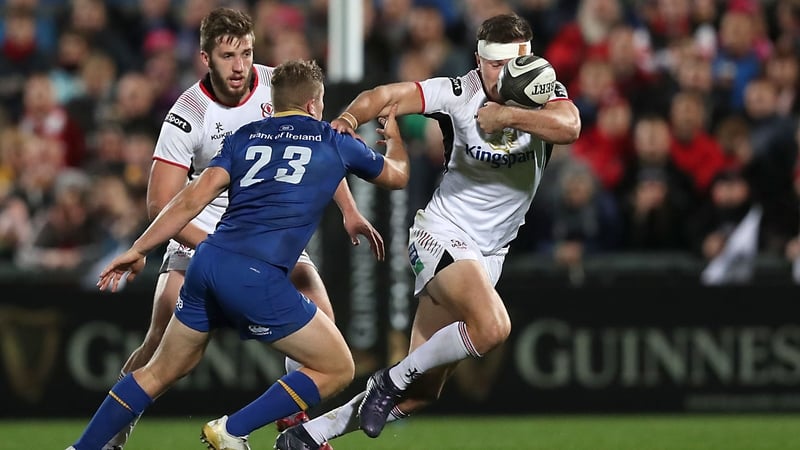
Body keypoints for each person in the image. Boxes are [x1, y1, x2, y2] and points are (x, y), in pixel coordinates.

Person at [66, 58, 410, 450]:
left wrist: (139, 247)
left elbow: (189, 199)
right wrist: (395, 140)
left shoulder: (246, 136)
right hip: (256, 275)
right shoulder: (333, 140)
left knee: (160, 369)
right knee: (337, 366)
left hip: (207, 262)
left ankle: (83, 448)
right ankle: (233, 429)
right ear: (315, 104)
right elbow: (397, 177)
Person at [275, 12, 580, 450]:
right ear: (479, 60)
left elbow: (570, 126)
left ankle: (310, 434)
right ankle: (386, 379)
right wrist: (345, 119)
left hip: (490, 255)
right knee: (492, 328)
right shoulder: (458, 93)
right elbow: (384, 95)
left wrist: (509, 116)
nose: (507, 73)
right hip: (442, 233)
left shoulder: (543, 92)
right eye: (496, 64)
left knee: (421, 391)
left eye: (517, 61)